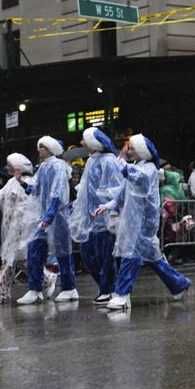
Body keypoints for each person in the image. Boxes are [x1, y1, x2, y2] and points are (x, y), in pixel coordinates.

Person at [99, 134, 191, 310]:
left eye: (133, 148)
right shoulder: (138, 166)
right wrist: (110, 204)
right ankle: (179, 284)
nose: (131, 151)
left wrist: (121, 162)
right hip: (135, 221)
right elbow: (125, 189)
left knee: (130, 256)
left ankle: (123, 294)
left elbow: (137, 178)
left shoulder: (148, 168)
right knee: (152, 258)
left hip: (144, 222)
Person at [69, 127, 123, 306]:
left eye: (84, 140)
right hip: (92, 219)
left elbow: (115, 188)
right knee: (88, 254)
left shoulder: (108, 161)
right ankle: (107, 287)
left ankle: (108, 290)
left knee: (106, 256)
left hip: (105, 218)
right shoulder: (92, 161)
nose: (82, 143)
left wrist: (111, 212)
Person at [17, 136, 74, 305]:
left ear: (50, 148)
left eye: (42, 146)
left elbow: (58, 193)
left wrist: (49, 216)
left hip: (58, 215)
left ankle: (69, 288)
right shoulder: (43, 167)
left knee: (63, 252)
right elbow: (36, 188)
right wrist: (23, 183)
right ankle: (34, 289)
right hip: (46, 216)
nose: (38, 149)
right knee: (35, 248)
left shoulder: (58, 166)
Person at [0, 153, 43, 305]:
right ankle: (46, 280)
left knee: (13, 260)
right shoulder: (10, 182)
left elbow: (32, 207)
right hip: (12, 229)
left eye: (10, 166)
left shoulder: (30, 182)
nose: (8, 168)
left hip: (24, 229)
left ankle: (0, 292)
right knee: (18, 260)